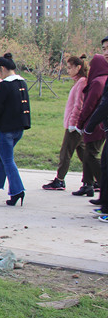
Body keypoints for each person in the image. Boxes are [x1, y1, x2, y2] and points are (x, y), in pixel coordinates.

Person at [0, 54, 31, 206]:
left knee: (8, 160)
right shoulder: (22, 82)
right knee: (3, 159)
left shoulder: (4, 85)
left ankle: (17, 190)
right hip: (19, 128)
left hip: (6, 129)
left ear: (3, 69)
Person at [42, 56, 88, 193]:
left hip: (74, 125)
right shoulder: (79, 81)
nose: (67, 70)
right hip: (77, 124)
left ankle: (60, 180)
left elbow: (78, 105)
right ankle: (95, 180)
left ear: (78, 68)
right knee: (85, 154)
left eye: (69, 67)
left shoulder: (82, 82)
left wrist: (73, 124)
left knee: (66, 152)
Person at [75, 53, 107, 197]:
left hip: (94, 124)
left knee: (91, 155)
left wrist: (81, 122)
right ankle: (87, 184)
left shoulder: (97, 82)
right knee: (88, 153)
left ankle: (102, 184)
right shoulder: (103, 79)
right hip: (98, 124)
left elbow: (89, 105)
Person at [84, 48, 108, 221]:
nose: (105, 52)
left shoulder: (99, 81)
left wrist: (88, 125)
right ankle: (105, 204)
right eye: (105, 49)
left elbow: (100, 105)